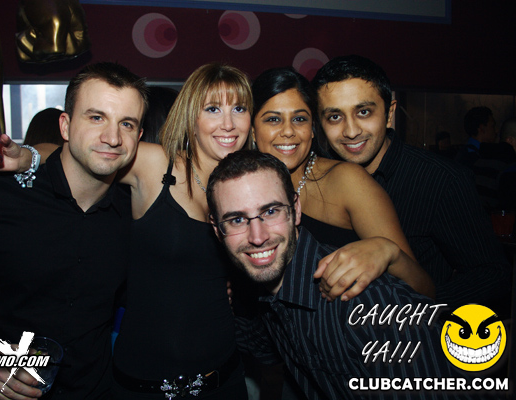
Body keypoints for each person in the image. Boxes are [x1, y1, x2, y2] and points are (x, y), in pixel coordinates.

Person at [0, 63, 253, 399]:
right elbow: (78, 151)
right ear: (191, 117)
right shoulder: (158, 165)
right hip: (142, 384)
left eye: (239, 109)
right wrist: (26, 156)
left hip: (224, 379)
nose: (228, 123)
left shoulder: (251, 187)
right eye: (213, 109)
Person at [0, 62, 147, 399]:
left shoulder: (134, 213)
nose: (112, 138)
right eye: (96, 117)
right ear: (65, 126)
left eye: (126, 123)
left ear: (139, 137)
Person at [206, 150, 471, 400]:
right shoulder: (268, 295)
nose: (258, 237)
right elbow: (261, 350)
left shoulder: (364, 301)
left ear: (296, 210)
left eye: (271, 211)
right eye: (236, 220)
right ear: (217, 231)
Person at [311, 55, 511, 309]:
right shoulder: (319, 175)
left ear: (389, 113)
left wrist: (424, 305)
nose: (351, 131)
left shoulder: (441, 181)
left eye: (364, 112)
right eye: (334, 117)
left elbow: (494, 274)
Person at [251, 67, 434, 301]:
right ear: (253, 131)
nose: (288, 131)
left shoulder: (347, 181)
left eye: (299, 119)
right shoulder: (246, 189)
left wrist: (389, 253)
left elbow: (424, 289)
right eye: (273, 119)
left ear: (312, 129)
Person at [456, 107, 516, 209]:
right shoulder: (471, 157)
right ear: (481, 128)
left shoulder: (466, 153)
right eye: (492, 126)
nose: (496, 130)